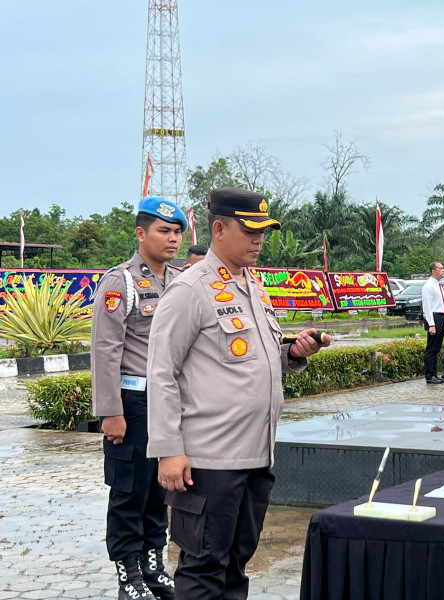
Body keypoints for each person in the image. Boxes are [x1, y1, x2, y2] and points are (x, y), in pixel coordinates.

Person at [146, 188, 328, 599]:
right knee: (204, 569)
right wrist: (168, 450)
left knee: (236, 565)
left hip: (255, 455)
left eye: (263, 231)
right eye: (250, 231)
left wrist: (293, 352)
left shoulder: (254, 286)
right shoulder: (191, 289)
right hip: (208, 461)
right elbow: (160, 372)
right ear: (218, 228)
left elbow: (255, 357)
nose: (258, 240)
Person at [91, 196, 188, 600]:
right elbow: (105, 350)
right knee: (129, 491)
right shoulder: (122, 281)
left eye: (177, 231)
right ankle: (127, 574)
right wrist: (110, 411)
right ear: (140, 233)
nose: (172, 239)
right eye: (164, 231)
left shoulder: (180, 281)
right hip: (132, 404)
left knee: (158, 490)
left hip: (167, 405)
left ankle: (152, 565)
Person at [421, 261, 444, 384]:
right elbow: (427, 307)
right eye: (441, 268)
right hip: (434, 317)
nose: (443, 270)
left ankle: (434, 374)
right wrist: (431, 324)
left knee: (437, 348)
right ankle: (429, 375)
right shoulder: (429, 286)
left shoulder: (438, 285)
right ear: (434, 271)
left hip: (441, 317)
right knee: (431, 348)